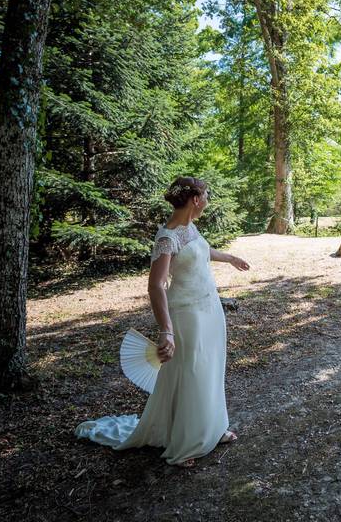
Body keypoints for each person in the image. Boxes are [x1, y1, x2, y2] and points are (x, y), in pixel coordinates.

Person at [75, 176, 250, 467]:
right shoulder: (167, 236)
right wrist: (166, 330)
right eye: (206, 196)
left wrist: (230, 257)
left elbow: (204, 251)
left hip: (210, 309)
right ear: (195, 199)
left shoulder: (189, 227)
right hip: (187, 314)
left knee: (210, 369)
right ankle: (185, 444)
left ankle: (213, 428)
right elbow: (156, 286)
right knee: (192, 373)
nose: (207, 201)